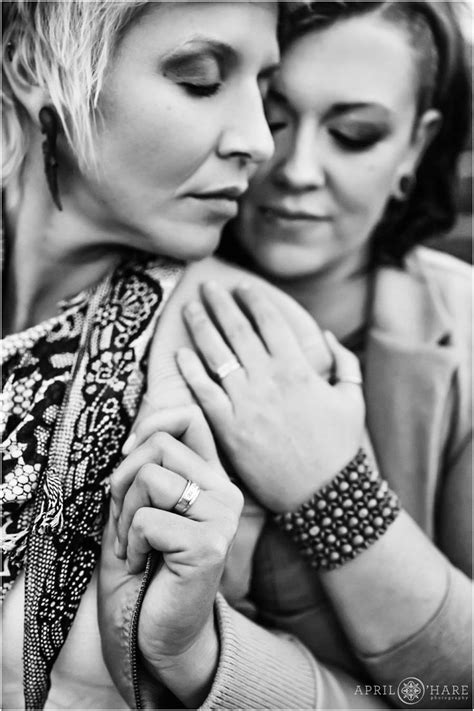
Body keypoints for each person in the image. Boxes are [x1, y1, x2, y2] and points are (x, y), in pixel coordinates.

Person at [113, 1, 472, 708]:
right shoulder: (125, 307)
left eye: (354, 134)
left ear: (414, 147)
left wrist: (334, 490)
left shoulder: (467, 328)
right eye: (273, 116)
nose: (295, 166)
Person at [1, 2, 285, 708]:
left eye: (264, 91)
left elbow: (422, 690)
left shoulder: (242, 350)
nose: (260, 139)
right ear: (32, 66)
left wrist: (197, 652)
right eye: (200, 78)